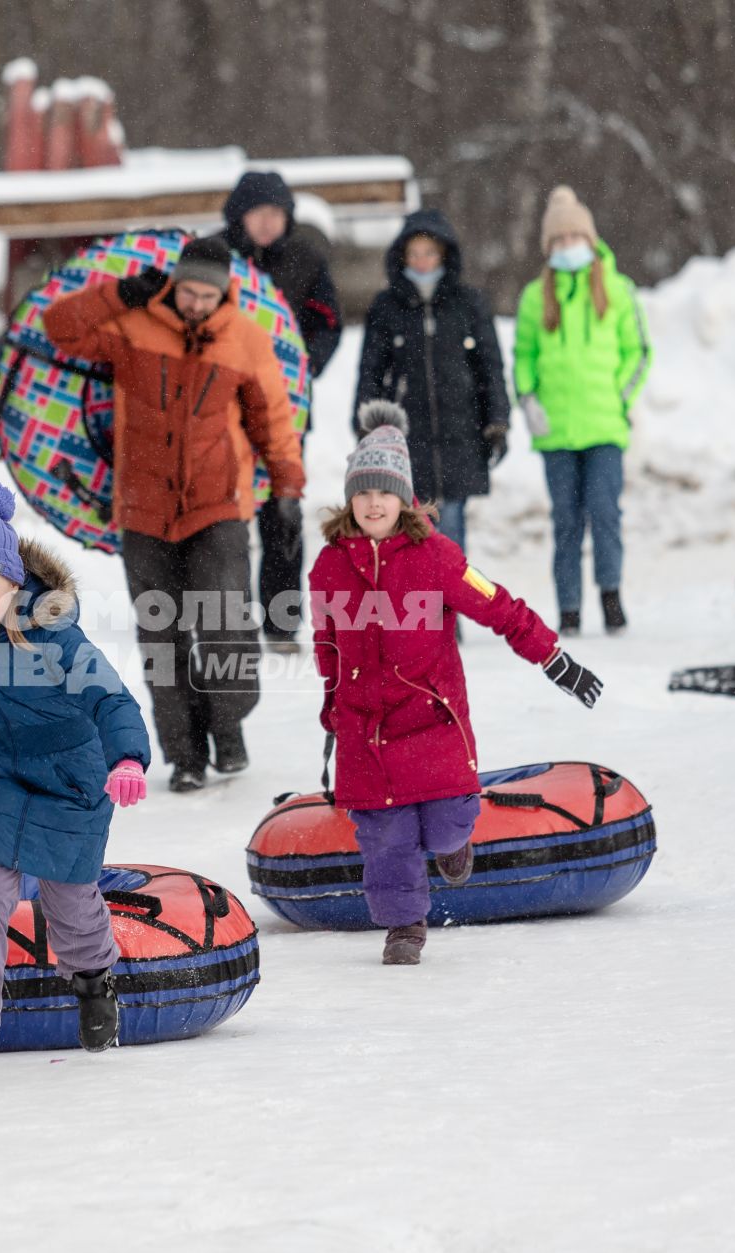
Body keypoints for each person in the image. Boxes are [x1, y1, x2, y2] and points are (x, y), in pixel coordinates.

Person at [308, 405, 604, 965]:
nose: (374, 503)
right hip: (365, 729)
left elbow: (500, 608)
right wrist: (332, 707)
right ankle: (404, 928)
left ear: (405, 499)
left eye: (385, 492)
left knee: (445, 826)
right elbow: (327, 643)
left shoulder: (437, 559)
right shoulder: (328, 567)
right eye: (363, 492)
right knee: (386, 839)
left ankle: (454, 842)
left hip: (431, 721)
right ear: (350, 499)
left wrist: (554, 658)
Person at [0, 482, 152, 1066]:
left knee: (68, 898)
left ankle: (93, 978)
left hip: (72, 776)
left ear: (14, 587)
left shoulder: (60, 640)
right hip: (1, 773)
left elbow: (113, 701)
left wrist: (128, 758)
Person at [45, 234, 306, 793]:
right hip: (142, 509)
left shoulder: (245, 339)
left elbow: (272, 417)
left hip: (218, 505)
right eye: (187, 292)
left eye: (206, 297)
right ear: (173, 284)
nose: (195, 304)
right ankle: (184, 754)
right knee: (162, 637)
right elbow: (60, 328)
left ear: (223, 295)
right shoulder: (132, 326)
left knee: (224, 624)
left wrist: (287, 483)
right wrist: (117, 295)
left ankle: (227, 726)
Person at [512, 186, 653, 635]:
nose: (567, 248)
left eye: (574, 238)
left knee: (605, 513)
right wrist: (528, 398)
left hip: (604, 425)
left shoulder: (617, 289)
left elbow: (639, 351)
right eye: (558, 241)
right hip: (555, 431)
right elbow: (524, 355)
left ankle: (611, 595)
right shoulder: (536, 297)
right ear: (548, 247)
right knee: (566, 521)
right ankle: (568, 608)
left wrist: (620, 397)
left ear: (590, 241)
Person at [224, 170, 343, 651]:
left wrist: (302, 368)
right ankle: (222, 618)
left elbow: (329, 323)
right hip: (221, 411)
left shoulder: (307, 260)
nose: (269, 223)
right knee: (224, 516)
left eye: (277, 214)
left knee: (283, 511)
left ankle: (281, 621)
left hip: (285, 413)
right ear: (240, 217)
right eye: (259, 214)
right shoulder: (216, 257)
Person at [350, 209, 511, 555]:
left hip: (460, 434)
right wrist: (365, 428)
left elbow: (490, 368)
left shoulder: (469, 304)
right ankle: (420, 608)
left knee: (450, 530)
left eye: (430, 252)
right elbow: (371, 372)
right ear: (403, 257)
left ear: (444, 256)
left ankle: (450, 608)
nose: (423, 261)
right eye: (415, 253)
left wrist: (497, 420)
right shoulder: (386, 307)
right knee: (409, 533)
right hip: (406, 439)